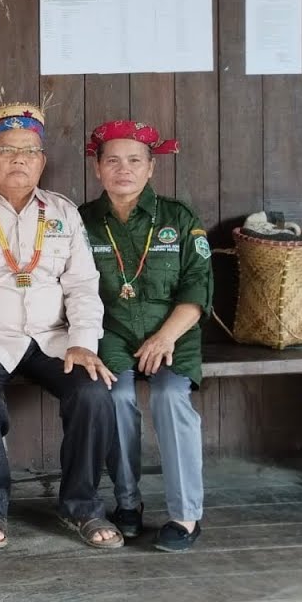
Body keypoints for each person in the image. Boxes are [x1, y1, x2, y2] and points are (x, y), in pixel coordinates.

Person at [0, 94, 123, 550]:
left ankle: (81, 505)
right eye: (8, 151)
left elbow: (82, 284)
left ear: (42, 162)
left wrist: (83, 343)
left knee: (95, 394)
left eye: (29, 152)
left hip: (53, 340)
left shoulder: (63, 213)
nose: (19, 161)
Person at [80, 120, 211, 552]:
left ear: (151, 168)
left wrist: (165, 337)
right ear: (98, 169)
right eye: (112, 160)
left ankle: (185, 515)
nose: (124, 169)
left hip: (173, 331)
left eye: (135, 160)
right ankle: (128, 505)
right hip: (112, 332)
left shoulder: (179, 217)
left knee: (172, 399)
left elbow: (197, 286)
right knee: (115, 398)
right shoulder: (82, 221)